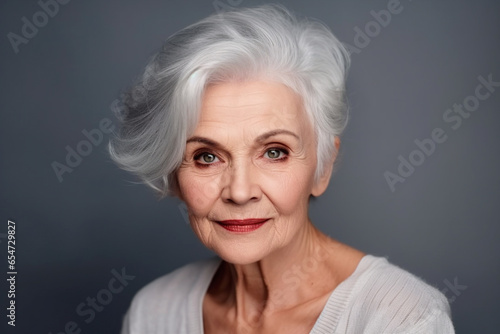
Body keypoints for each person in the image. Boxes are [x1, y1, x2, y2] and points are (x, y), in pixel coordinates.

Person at [109, 4, 455, 333]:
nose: (240, 192)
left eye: (275, 152)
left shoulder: (402, 320)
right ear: (173, 175)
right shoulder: (153, 313)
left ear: (322, 168)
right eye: (206, 156)